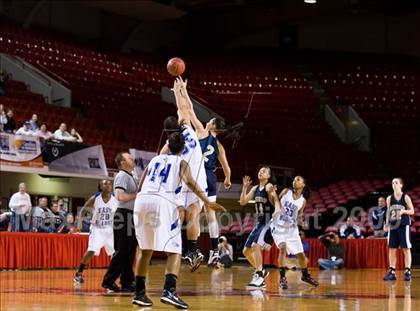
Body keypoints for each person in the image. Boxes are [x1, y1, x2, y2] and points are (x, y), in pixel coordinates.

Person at [132, 132, 224, 308]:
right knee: (175, 251)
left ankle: (139, 294)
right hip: (162, 201)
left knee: (145, 250)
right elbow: (190, 183)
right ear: (183, 148)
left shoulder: (154, 160)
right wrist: (207, 202)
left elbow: (141, 182)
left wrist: (141, 202)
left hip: (142, 200)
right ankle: (169, 291)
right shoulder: (181, 162)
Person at [176, 77, 232, 266]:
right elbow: (226, 166)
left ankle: (193, 249)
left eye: (211, 121)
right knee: (210, 215)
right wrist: (227, 179)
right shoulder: (219, 145)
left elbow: (189, 110)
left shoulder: (200, 131)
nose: (207, 121)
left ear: (212, 126)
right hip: (211, 177)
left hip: (197, 176)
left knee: (193, 214)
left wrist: (183, 91)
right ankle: (215, 251)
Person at [160, 78, 208, 272]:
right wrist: (179, 91)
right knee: (194, 213)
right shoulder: (188, 130)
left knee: (179, 214)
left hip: (179, 182)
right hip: (196, 179)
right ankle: (192, 250)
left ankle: (173, 246)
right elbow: (185, 109)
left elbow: (160, 160)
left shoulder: (169, 145)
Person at [270, 175, 319, 289]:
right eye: (294, 180)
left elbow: (299, 216)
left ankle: (305, 276)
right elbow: (275, 203)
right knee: (282, 248)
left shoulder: (303, 201)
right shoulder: (286, 192)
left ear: (303, 185)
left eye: (298, 180)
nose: (294, 181)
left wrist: (302, 223)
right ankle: (282, 278)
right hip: (278, 226)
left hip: (291, 229)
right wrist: (272, 195)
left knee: (301, 256)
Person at [102, 152, 138, 293]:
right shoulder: (122, 175)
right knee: (122, 251)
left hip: (130, 216)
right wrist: (137, 194)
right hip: (123, 216)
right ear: (122, 162)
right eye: (129, 157)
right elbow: (120, 196)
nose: (132, 159)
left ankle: (127, 282)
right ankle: (108, 281)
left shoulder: (130, 176)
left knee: (130, 251)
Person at [239, 166, 279, 288]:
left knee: (255, 245)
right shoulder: (255, 188)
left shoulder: (268, 186)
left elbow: (277, 202)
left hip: (269, 222)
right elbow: (243, 202)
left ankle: (259, 276)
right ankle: (261, 271)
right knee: (246, 251)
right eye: (260, 170)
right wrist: (245, 188)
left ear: (268, 176)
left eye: (264, 171)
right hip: (260, 222)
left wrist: (276, 211)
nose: (261, 172)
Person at [74, 180, 118, 284]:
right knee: (91, 250)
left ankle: (112, 277)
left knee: (115, 254)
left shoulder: (116, 199)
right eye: (105, 184)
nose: (108, 185)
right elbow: (83, 210)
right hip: (97, 228)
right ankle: (78, 273)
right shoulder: (95, 198)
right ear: (100, 187)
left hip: (110, 229)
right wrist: (79, 224)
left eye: (109, 183)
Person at [383, 178, 415, 282]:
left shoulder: (405, 197)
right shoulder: (389, 198)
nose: (394, 184)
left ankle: (407, 271)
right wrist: (386, 224)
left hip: (403, 225)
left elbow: (412, 211)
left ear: (401, 185)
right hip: (393, 226)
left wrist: (404, 211)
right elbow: (388, 212)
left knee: (406, 249)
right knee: (392, 249)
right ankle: (392, 272)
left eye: (396, 182)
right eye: (392, 183)